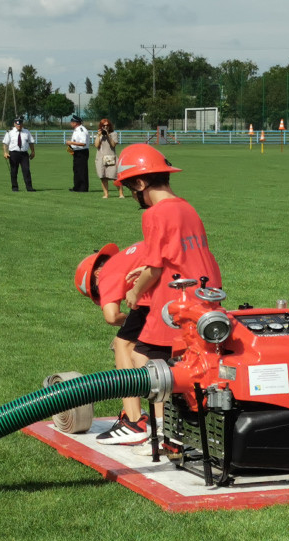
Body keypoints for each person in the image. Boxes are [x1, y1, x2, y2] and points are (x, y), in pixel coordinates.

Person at [117, 145, 222, 449]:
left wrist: (136, 291)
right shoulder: (186, 207)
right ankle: (178, 428)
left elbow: (154, 266)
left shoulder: (154, 213)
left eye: (130, 188)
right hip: (205, 290)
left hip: (177, 298)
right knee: (190, 362)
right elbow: (179, 254)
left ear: (140, 184)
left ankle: (164, 432)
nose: (133, 196)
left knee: (149, 363)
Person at [75, 241, 154, 445]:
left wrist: (128, 319)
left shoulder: (106, 273)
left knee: (122, 344)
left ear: (95, 277)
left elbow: (111, 316)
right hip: (183, 280)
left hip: (155, 289)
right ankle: (161, 423)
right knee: (153, 355)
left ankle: (134, 421)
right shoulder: (124, 259)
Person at [1, 117, 36, 192]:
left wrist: (33, 151)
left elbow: (31, 142)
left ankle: (29, 187)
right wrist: (5, 152)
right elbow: (5, 143)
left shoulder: (27, 132)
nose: (19, 126)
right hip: (13, 154)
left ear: (22, 124)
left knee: (26, 170)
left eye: (20, 125)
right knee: (14, 171)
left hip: (24, 154)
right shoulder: (9, 132)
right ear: (14, 124)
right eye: (17, 125)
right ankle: (14, 187)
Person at [93, 118, 125, 199]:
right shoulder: (99, 135)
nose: (105, 127)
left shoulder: (114, 134)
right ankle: (106, 194)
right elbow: (96, 145)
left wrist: (108, 135)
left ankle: (121, 194)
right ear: (101, 126)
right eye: (104, 125)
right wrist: (99, 135)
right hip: (100, 157)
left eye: (107, 125)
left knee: (115, 177)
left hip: (111, 157)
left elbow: (113, 145)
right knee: (103, 177)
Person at [66, 115, 90, 192]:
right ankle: (77, 187)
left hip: (82, 152)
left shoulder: (81, 130)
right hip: (76, 152)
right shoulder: (76, 130)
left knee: (82, 170)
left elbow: (83, 143)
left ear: (75, 123)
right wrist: (71, 148)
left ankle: (83, 188)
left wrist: (71, 142)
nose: (71, 124)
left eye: (72, 122)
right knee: (76, 170)